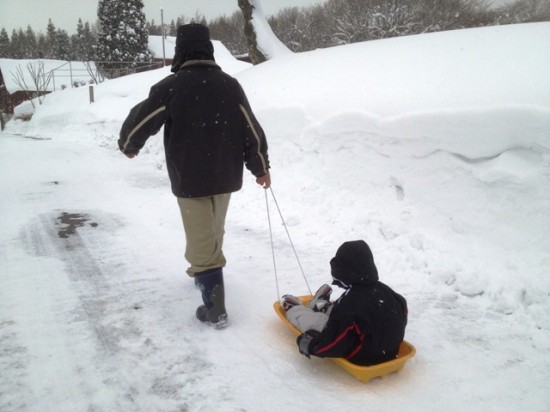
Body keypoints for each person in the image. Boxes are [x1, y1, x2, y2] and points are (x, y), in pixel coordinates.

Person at [118, 23, 270, 329]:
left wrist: (129, 144)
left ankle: (215, 308)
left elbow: (142, 119)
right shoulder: (230, 85)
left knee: (202, 235)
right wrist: (260, 166)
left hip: (189, 178)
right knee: (212, 229)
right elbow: (250, 128)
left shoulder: (171, 86)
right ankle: (204, 273)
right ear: (209, 49)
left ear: (180, 51)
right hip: (225, 175)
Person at [281, 240, 408, 366]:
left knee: (319, 323)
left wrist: (310, 345)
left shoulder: (350, 305)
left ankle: (295, 309)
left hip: (364, 357)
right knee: (352, 315)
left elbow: (333, 343)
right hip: (389, 353)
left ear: (346, 273)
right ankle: (322, 306)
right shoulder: (390, 294)